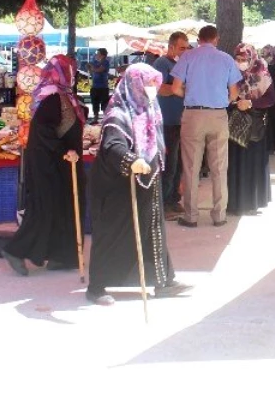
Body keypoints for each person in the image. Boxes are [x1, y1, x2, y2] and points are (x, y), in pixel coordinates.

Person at [86, 63, 189, 305]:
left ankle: (163, 282)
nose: (153, 89)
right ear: (135, 84)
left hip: (147, 183)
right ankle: (97, 287)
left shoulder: (149, 110)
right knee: (112, 234)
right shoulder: (118, 113)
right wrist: (131, 160)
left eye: (155, 84)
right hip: (118, 187)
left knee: (152, 232)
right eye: (148, 84)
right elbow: (113, 145)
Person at [1, 55, 86, 276]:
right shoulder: (52, 98)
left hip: (63, 163)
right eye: (70, 70)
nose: (73, 75)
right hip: (49, 164)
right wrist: (63, 151)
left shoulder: (64, 95)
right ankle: (15, 250)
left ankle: (61, 256)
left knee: (63, 208)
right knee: (45, 209)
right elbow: (43, 132)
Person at [171, 25, 242, 228]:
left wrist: (191, 94)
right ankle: (219, 215)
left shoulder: (188, 57)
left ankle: (191, 216)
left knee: (191, 167)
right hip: (218, 114)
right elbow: (234, 93)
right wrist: (221, 100)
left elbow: (175, 88)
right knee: (219, 167)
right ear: (216, 39)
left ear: (199, 39)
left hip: (193, 114)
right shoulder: (227, 59)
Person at [228, 44, 275, 213]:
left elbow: (270, 99)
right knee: (235, 163)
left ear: (252, 58)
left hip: (254, 124)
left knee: (253, 163)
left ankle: (252, 203)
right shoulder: (231, 73)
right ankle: (234, 203)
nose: (240, 63)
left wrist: (250, 102)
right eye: (238, 59)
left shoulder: (262, 74)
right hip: (235, 124)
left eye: (244, 60)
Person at [153, 32, 190, 218]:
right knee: (168, 164)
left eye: (187, 48)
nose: (185, 51)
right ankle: (164, 203)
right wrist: (180, 90)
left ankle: (174, 199)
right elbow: (159, 88)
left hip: (181, 121)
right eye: (182, 48)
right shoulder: (161, 64)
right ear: (172, 47)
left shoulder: (183, 65)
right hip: (166, 122)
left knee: (178, 165)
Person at [88, 48, 111, 123]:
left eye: (98, 54)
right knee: (95, 103)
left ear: (102, 55)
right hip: (95, 86)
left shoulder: (105, 62)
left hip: (103, 86)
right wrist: (90, 68)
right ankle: (95, 119)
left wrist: (91, 67)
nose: (96, 55)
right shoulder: (94, 62)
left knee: (104, 103)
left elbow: (99, 70)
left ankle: (106, 119)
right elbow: (92, 73)